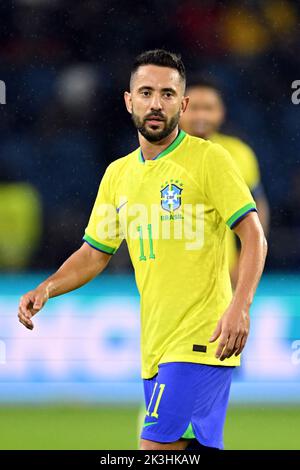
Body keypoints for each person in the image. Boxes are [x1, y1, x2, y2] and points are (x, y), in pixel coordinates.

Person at [18, 49, 268, 451]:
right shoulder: (118, 175)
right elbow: (94, 252)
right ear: (128, 100)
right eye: (146, 92)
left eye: (168, 95)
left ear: (182, 104)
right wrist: (47, 286)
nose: (156, 103)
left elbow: (254, 235)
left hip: (203, 337)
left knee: (153, 448)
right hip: (156, 341)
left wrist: (241, 305)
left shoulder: (209, 160)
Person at [180, 79, 270, 286]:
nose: (201, 116)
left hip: (223, 275)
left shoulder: (239, 153)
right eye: (194, 108)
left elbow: (258, 208)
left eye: (209, 108)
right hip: (170, 276)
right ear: (180, 109)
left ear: (221, 112)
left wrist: (245, 261)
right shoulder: (159, 154)